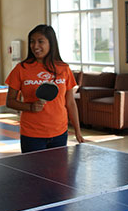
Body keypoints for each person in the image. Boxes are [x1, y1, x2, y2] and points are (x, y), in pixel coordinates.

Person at [5, 24, 84, 152]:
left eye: (40, 41)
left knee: (58, 172)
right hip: (32, 135)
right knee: (34, 172)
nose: (35, 46)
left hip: (59, 132)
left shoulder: (64, 68)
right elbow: (10, 101)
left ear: (51, 43)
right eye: (32, 42)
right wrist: (30, 107)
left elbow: (70, 103)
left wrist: (77, 131)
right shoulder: (21, 69)